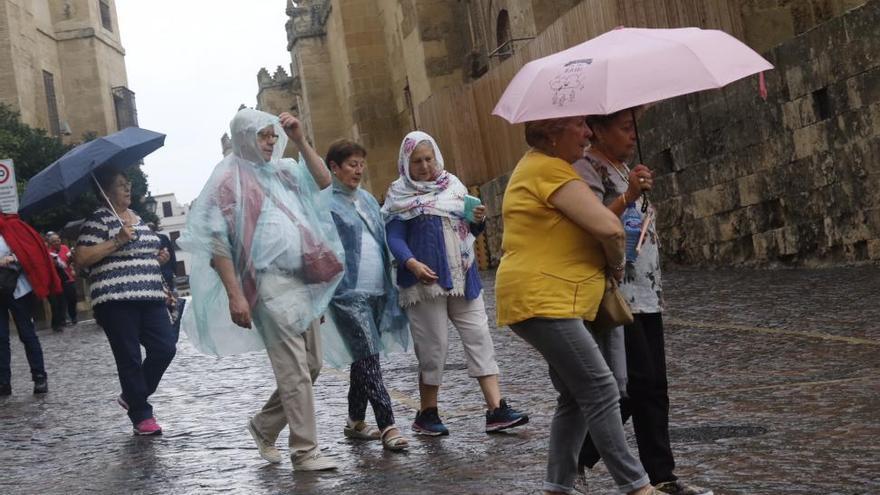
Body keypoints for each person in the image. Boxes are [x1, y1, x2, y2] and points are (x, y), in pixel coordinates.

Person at [494, 116, 655, 495]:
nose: (587, 133)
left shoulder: (549, 168)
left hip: (563, 296)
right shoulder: (547, 169)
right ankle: (637, 487)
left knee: (580, 394)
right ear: (552, 133)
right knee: (599, 389)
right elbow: (609, 228)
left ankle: (557, 486)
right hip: (543, 297)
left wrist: (628, 199)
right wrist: (617, 264)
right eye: (579, 126)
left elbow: (594, 223)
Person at [180, 108, 344, 471]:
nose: (272, 142)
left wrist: (300, 139)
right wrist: (236, 294)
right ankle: (305, 452)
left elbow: (323, 181)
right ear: (244, 138)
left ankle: (264, 425)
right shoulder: (228, 182)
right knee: (294, 371)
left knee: (313, 365)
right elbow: (218, 244)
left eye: (274, 135)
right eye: (264, 135)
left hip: (303, 278)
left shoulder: (283, 171)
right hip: (268, 283)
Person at [574, 109, 712, 495]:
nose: (632, 135)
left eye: (634, 127)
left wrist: (637, 193)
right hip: (617, 294)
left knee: (653, 386)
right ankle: (577, 456)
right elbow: (592, 221)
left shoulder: (622, 167)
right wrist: (628, 197)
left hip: (647, 293)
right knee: (634, 384)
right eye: (624, 127)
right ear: (598, 130)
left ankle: (662, 476)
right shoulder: (587, 169)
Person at [383, 131, 528, 436]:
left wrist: (477, 218)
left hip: (464, 277)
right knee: (434, 347)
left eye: (428, 159)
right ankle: (427, 413)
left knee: (479, 336)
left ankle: (496, 409)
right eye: (417, 161)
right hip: (425, 283)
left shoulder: (454, 186)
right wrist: (411, 262)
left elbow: (470, 228)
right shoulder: (399, 195)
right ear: (406, 163)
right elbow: (394, 236)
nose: (424, 166)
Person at [74, 170, 177, 435]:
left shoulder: (137, 218)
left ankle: (133, 395)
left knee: (165, 348)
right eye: (121, 185)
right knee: (129, 356)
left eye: (128, 184)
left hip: (151, 296)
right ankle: (142, 415)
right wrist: (117, 240)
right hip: (115, 300)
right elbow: (82, 258)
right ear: (105, 192)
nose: (127, 188)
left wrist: (158, 258)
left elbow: (141, 254)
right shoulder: (98, 221)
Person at [324, 139, 411, 451]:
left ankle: (355, 422)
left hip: (377, 290)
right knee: (370, 359)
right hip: (347, 294)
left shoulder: (368, 201)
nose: (358, 170)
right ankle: (388, 426)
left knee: (363, 359)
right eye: (351, 164)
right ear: (334, 168)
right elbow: (322, 250)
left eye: (361, 164)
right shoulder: (325, 204)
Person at [0, 214, 61, 396]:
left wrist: (12, 258)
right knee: (0, 339)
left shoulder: (13, 226)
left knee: (27, 334)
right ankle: (3, 382)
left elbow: (30, 251)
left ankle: (39, 376)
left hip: (16, 288)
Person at [46, 231, 78, 331]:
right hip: (59, 280)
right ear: (50, 243)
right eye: (54, 241)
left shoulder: (64, 248)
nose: (56, 242)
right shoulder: (49, 252)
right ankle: (62, 320)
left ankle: (73, 315)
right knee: (61, 301)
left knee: (73, 298)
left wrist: (72, 264)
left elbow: (69, 261)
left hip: (69, 277)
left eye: (58, 240)